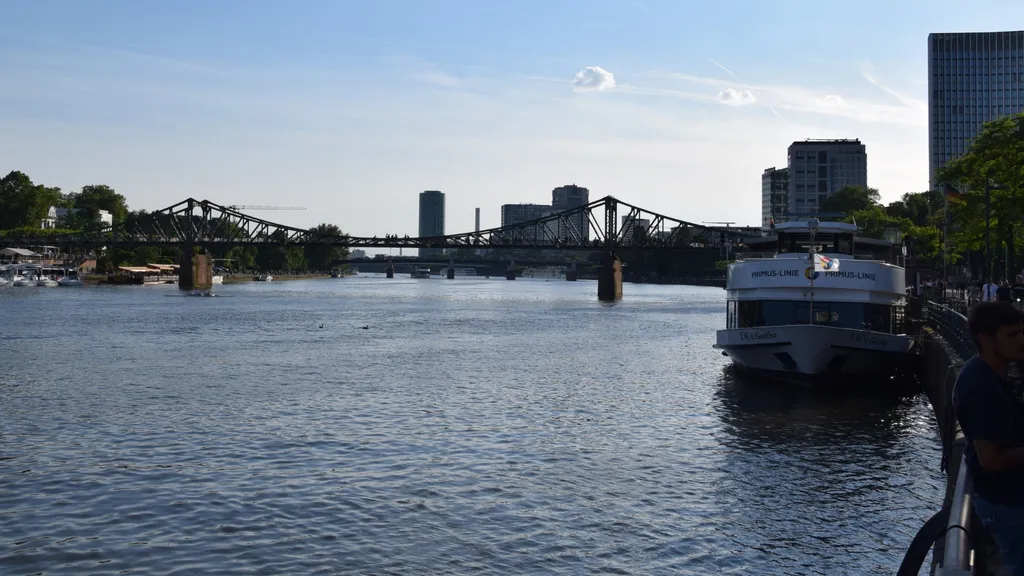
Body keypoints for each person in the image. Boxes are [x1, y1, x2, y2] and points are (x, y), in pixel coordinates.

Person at [954, 302, 1024, 575]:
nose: (1022, 340)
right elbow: (991, 460)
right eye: (1012, 335)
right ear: (986, 340)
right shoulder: (982, 389)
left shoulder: (991, 370)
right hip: (1006, 501)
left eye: (1022, 332)